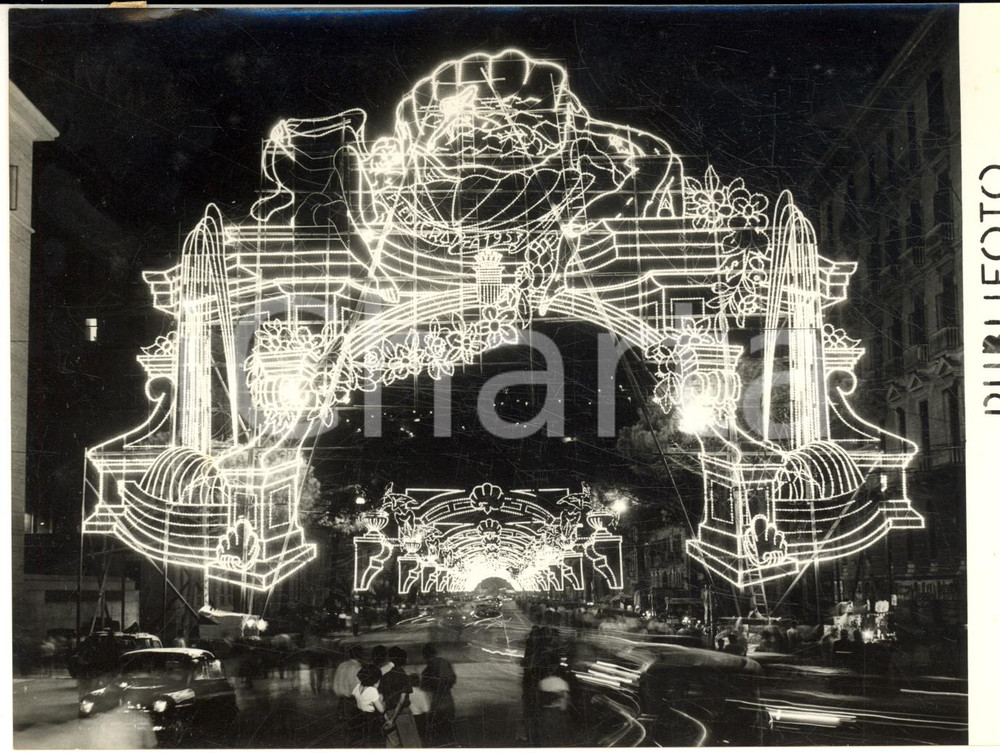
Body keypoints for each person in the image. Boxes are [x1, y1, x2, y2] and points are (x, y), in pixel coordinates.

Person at [420, 643, 456, 746]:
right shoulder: (445, 662)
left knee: (438, 736)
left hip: (436, 704)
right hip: (448, 702)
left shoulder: (427, 670)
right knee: (449, 733)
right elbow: (452, 680)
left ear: (425, 656)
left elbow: (423, 687)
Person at [379, 646, 415, 747]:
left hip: (389, 713)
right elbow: (401, 701)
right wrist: (393, 719)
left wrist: (386, 717)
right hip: (402, 714)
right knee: (410, 745)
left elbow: (381, 699)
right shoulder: (404, 676)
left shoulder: (385, 676)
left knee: (392, 745)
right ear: (404, 661)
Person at [353, 664, 386, 747]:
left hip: (360, 717)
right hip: (371, 720)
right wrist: (381, 698)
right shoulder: (372, 690)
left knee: (364, 743)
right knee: (374, 743)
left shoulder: (357, 687)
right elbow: (381, 709)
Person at [537, 667, 572, 746]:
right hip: (558, 710)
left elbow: (539, 698)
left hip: (546, 710)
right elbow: (566, 698)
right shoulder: (563, 683)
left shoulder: (542, 682)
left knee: (546, 733)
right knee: (558, 733)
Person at [334, 646, 365, 720]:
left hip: (341, 701)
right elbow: (358, 686)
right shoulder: (358, 667)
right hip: (353, 702)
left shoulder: (342, 665)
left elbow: (336, 683)